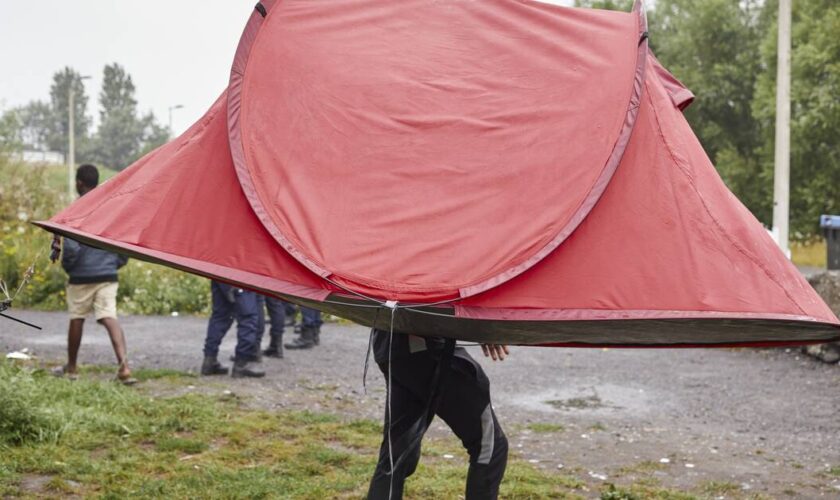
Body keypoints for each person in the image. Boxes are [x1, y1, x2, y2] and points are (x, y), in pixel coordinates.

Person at [367, 330, 509, 499]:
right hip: (423, 344)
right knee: (490, 446)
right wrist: (483, 328)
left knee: (397, 456)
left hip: (391, 346)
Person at [56, 164, 135, 385]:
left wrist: (70, 268)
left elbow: (71, 247)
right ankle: (125, 368)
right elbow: (121, 240)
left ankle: (72, 369)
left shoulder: (78, 208)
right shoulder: (110, 208)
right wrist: (115, 263)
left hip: (81, 275)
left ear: (79, 183)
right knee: (109, 316)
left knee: (77, 317)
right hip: (108, 273)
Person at [202, 281, 265, 378]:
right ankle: (241, 363)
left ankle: (209, 360)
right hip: (241, 274)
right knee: (248, 318)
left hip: (219, 271)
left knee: (220, 316)